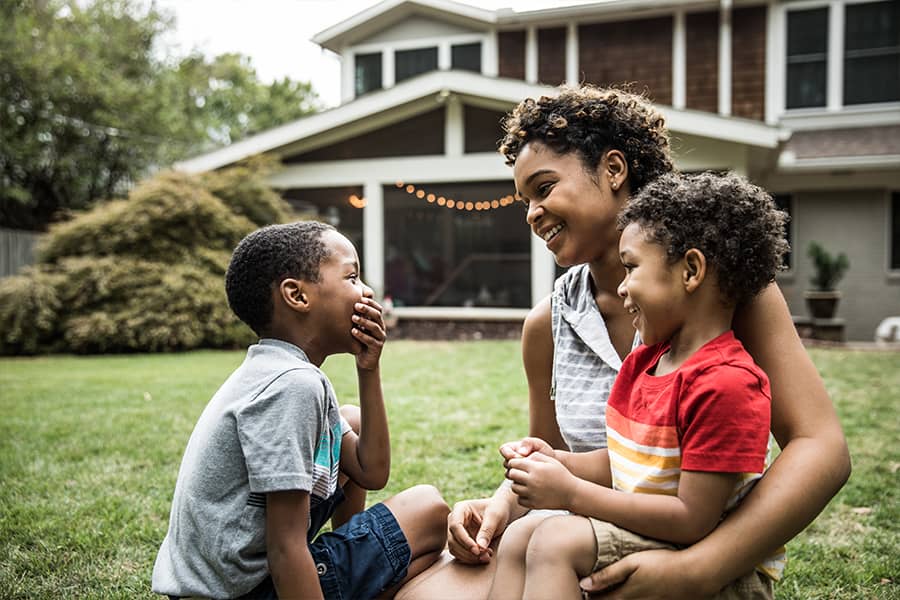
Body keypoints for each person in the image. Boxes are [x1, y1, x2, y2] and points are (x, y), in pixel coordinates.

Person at [394, 85, 850, 600]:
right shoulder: (548, 323)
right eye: (525, 201)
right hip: (580, 543)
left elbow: (822, 449)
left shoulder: (722, 292)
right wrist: (502, 503)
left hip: (680, 553)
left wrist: (699, 569)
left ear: (613, 169)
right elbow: (561, 465)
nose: (531, 213)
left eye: (544, 188)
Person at [489, 171, 790, 600]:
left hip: (711, 566)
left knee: (556, 540)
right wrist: (559, 461)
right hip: (655, 533)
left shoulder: (728, 385)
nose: (622, 287)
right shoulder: (645, 363)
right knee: (522, 534)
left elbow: (692, 518)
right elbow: (629, 462)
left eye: (631, 268)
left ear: (691, 271)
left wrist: (572, 493)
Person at [152, 221, 449, 600]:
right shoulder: (292, 386)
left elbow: (372, 471)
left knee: (352, 420)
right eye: (352, 277)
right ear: (297, 295)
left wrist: (368, 369)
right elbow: (286, 547)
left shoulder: (280, 370)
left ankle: (354, 565)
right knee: (428, 510)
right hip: (249, 590)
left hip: (231, 583)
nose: (367, 290)